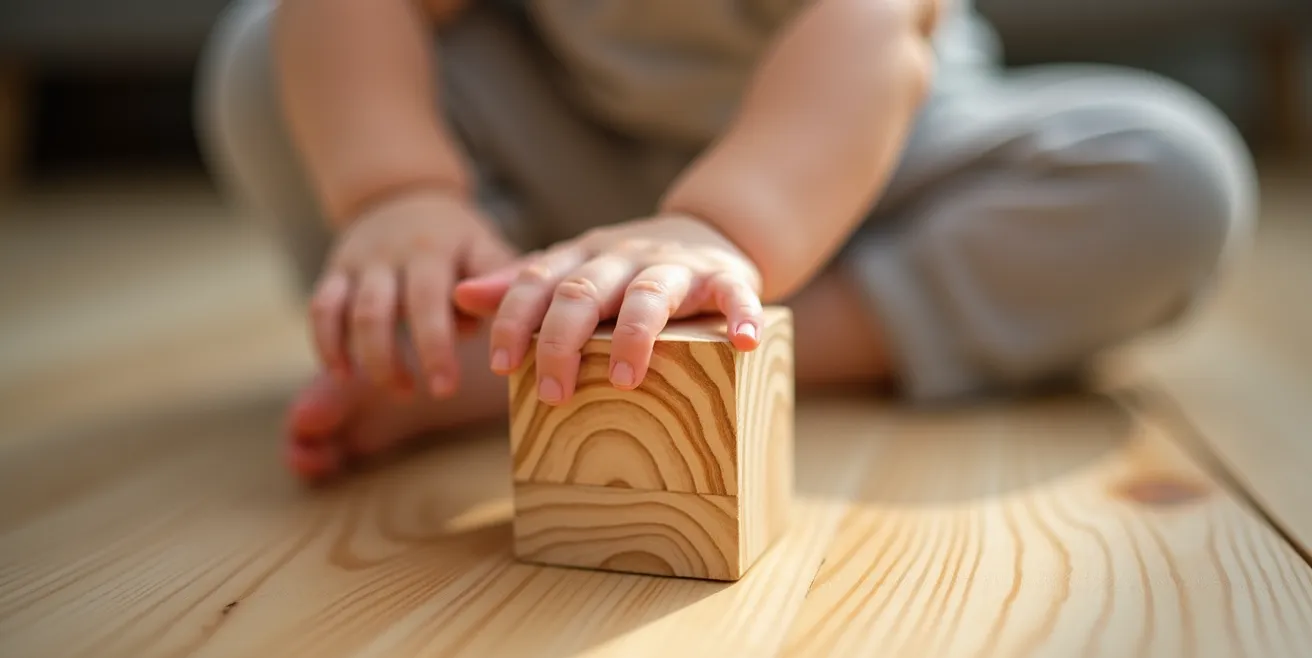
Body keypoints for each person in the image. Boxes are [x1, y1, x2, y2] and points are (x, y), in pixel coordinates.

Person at [197, 0, 1256, 482]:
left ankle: (527, 370)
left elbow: (869, 37)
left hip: (866, 172)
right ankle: (461, 313)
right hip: (576, 164)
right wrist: (399, 191)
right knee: (264, 51)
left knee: (1170, 172)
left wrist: (716, 229)